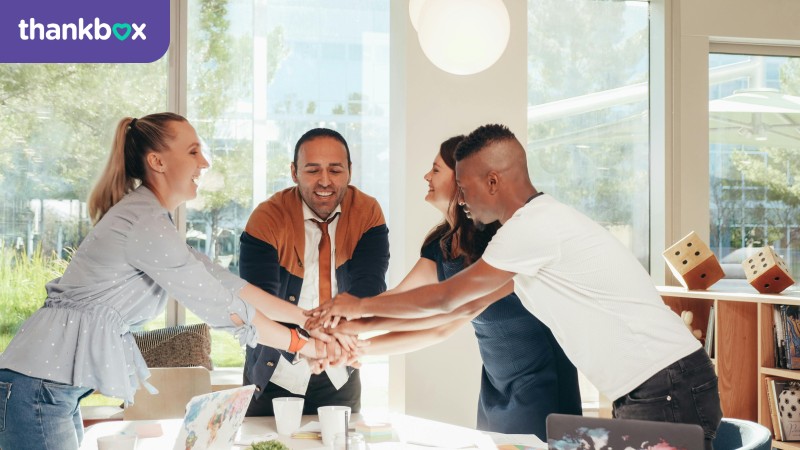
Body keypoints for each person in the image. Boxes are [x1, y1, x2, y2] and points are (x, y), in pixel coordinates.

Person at [310, 124, 723, 449]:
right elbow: (450, 309)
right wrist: (356, 332)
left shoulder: (533, 229)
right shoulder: (524, 234)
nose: (464, 199)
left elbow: (449, 298)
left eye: (466, 187)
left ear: (493, 182)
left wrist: (357, 306)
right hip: (651, 385)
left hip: (665, 383)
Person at [0, 113, 340, 450]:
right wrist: (306, 345)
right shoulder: (144, 222)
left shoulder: (149, 219)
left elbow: (227, 284)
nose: (204, 162)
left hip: (47, 389)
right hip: (38, 390)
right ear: (157, 161)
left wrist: (307, 320)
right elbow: (225, 307)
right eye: (193, 151)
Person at [330, 135, 581, 438]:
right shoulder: (442, 244)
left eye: (436, 170)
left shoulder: (500, 241)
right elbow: (403, 300)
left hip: (539, 380)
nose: (427, 176)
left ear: (462, 178)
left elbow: (445, 317)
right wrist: (351, 338)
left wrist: (352, 327)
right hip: (495, 383)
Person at [239, 128, 390, 416]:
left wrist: (333, 338)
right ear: (294, 173)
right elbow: (260, 301)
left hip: (338, 369)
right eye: (312, 170)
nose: (325, 181)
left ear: (349, 172)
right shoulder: (266, 218)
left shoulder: (368, 212)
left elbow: (369, 286)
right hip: (275, 369)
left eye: (335, 170)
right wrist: (314, 339)